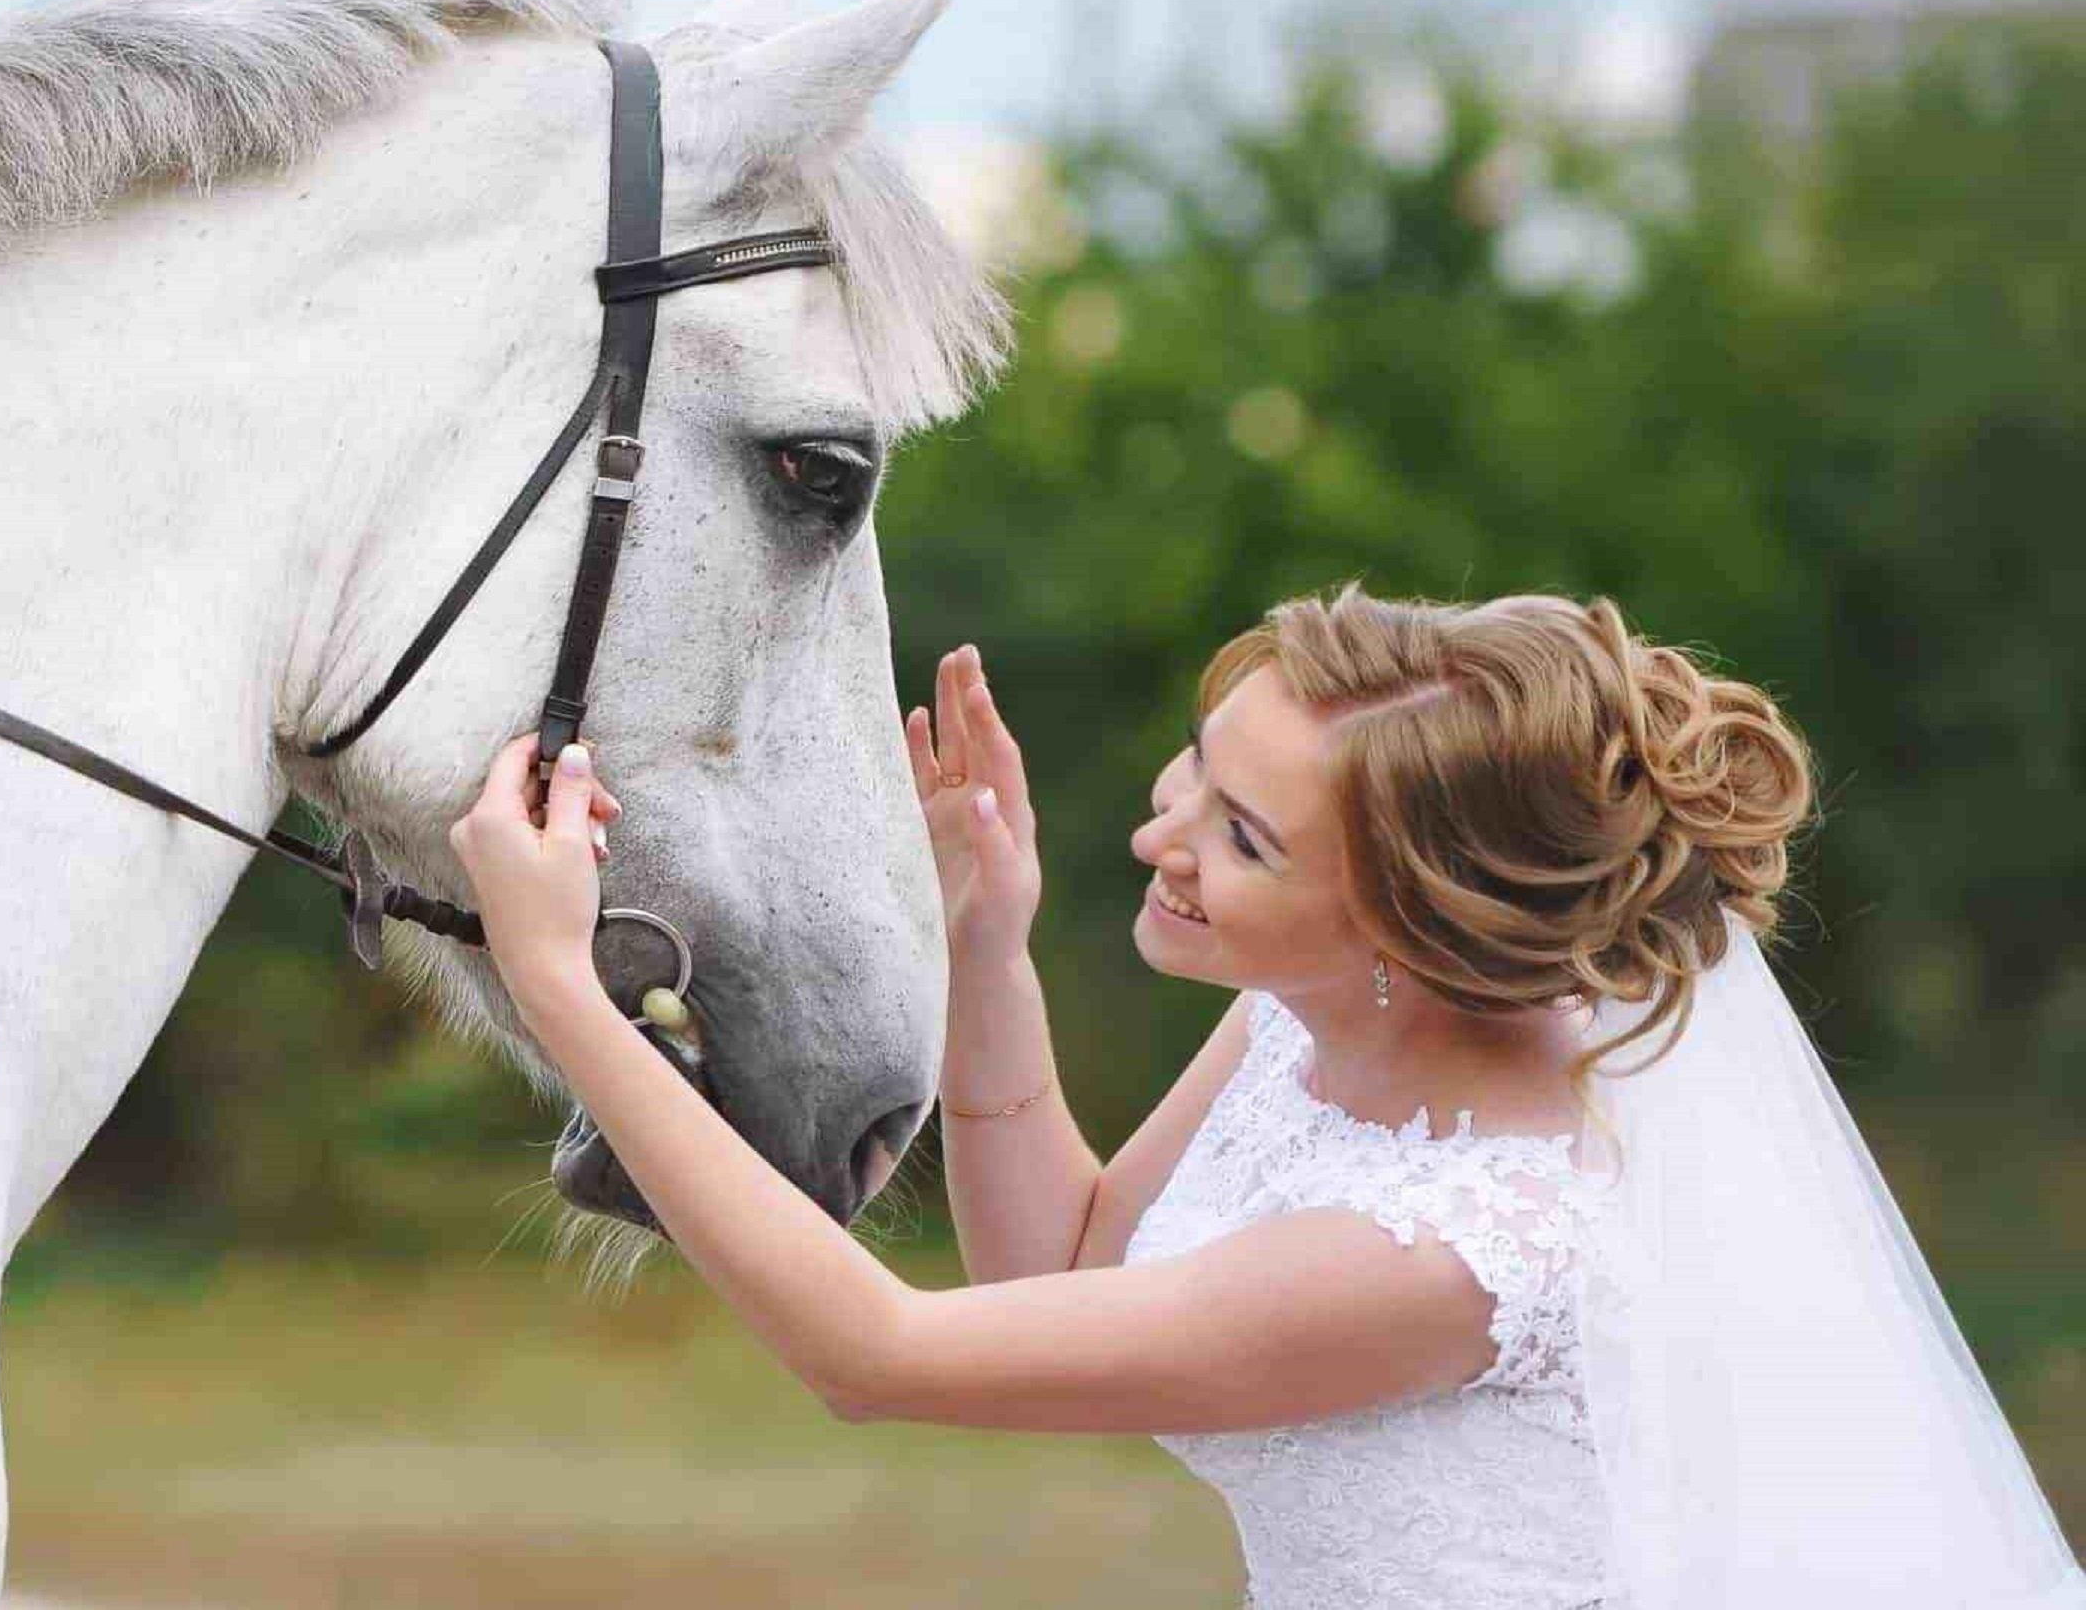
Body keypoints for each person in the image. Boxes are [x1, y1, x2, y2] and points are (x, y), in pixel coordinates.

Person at [451, 586, 2083, 1609]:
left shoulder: (1464, 1241)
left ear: (1407, 927)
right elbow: (1075, 1271)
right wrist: (987, 945)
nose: (1163, 836)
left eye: (1245, 834)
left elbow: (880, 1355)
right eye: (1198, 774)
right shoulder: (1302, 1027)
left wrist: (563, 989)